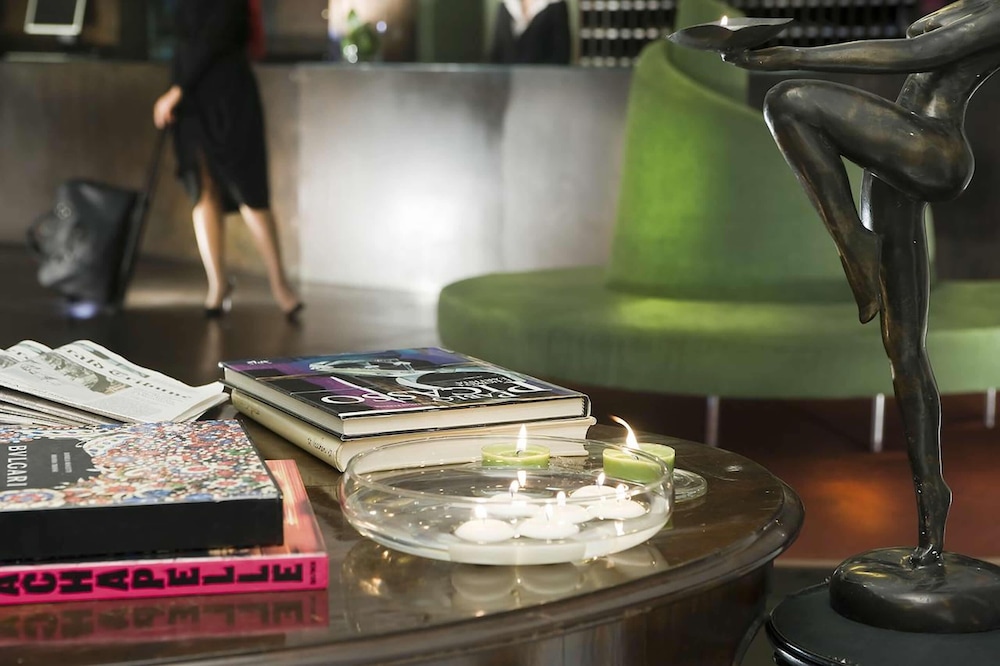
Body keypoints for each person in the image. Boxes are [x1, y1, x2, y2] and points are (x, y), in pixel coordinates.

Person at [724, 0, 1000, 567]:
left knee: (789, 100)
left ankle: (852, 242)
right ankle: (932, 505)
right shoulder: (970, 3)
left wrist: (788, 56)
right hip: (895, 157)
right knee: (904, 348)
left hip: (931, 146)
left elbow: (917, 52)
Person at [153, 0, 301, 320]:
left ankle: (280, 285)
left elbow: (217, 35)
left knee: (249, 190)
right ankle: (217, 285)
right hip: (191, 100)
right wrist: (175, 90)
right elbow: (184, 42)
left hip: (228, 96)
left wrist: (176, 91)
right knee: (203, 190)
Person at [490, 0, 571, 65]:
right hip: (508, 78)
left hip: (542, 78)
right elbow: (495, 52)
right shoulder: (506, 4)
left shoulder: (556, 5)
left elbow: (561, 54)